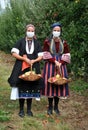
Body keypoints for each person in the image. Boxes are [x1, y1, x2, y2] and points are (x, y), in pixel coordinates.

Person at [8, 24, 44, 117]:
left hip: (33, 67)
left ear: (34, 32)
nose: (30, 32)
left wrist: (34, 60)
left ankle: (29, 110)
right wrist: (24, 59)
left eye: (32, 31)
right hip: (21, 67)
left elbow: (41, 56)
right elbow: (14, 53)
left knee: (31, 88)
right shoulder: (20, 41)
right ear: (26, 31)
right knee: (22, 87)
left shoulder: (37, 43)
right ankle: (21, 110)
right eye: (29, 30)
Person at [42, 22, 71, 115]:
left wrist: (61, 63)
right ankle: (50, 107)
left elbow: (67, 54)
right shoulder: (47, 41)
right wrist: (55, 61)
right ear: (52, 31)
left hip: (61, 65)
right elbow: (45, 53)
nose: (56, 32)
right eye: (55, 30)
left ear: (60, 31)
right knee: (50, 84)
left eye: (58, 30)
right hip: (51, 64)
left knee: (59, 83)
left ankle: (56, 107)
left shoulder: (64, 42)